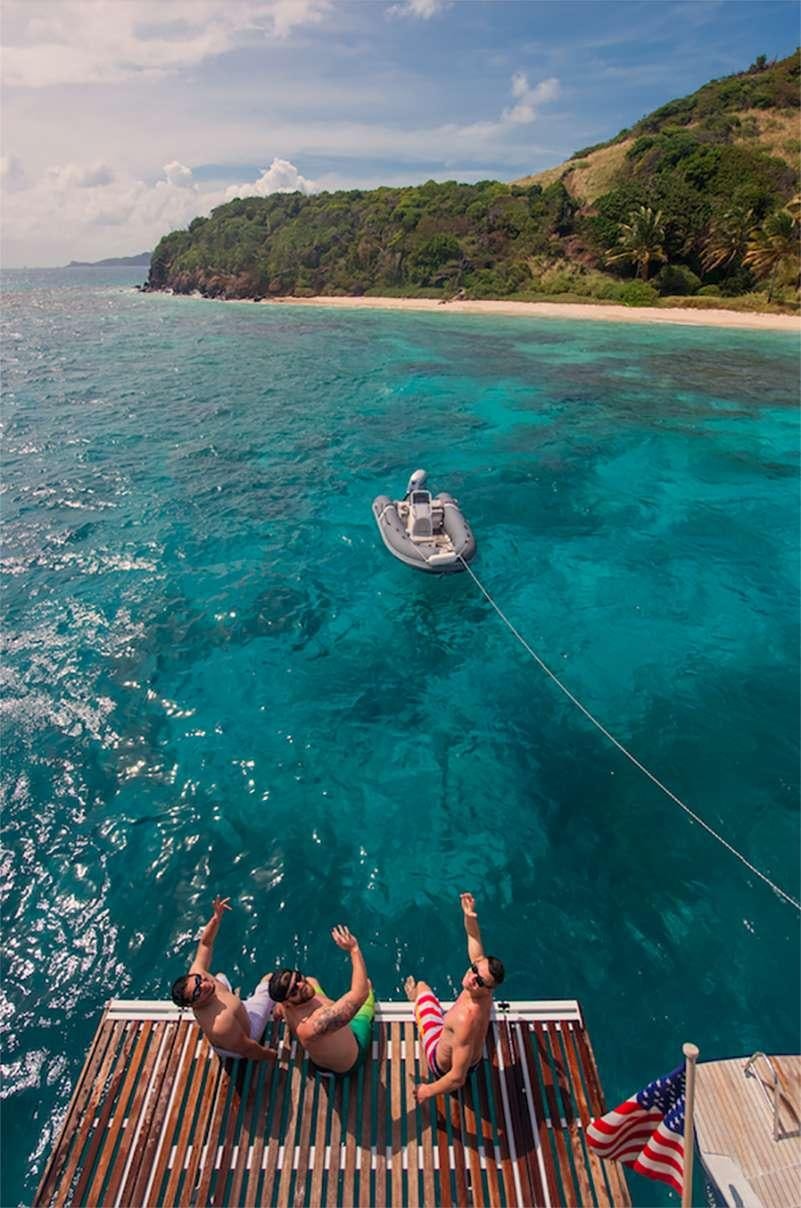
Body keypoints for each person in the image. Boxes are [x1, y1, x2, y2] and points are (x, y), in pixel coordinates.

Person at [405, 892, 505, 1103]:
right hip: (471, 1058)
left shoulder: (465, 1018)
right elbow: (474, 939)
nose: (471, 978)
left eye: (478, 981)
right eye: (473, 970)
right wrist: (469, 916)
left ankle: (415, 999)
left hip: (443, 1067)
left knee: (422, 987)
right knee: (460, 1037)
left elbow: (457, 1079)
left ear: (488, 988)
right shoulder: (487, 987)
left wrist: (427, 1090)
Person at [170, 895, 278, 1062]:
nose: (204, 985)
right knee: (271, 980)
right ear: (192, 1004)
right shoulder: (222, 1023)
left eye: (199, 981)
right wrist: (273, 1056)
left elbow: (205, 944)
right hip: (244, 1038)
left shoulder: (199, 973)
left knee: (220, 976)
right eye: (198, 992)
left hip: (228, 1035)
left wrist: (216, 919)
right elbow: (248, 1048)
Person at [268, 925, 374, 1075]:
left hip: (323, 1051)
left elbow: (278, 1009)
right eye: (293, 990)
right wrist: (354, 949)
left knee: (313, 981)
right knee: (367, 985)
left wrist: (279, 1012)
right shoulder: (317, 1023)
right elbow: (360, 993)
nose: (301, 985)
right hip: (352, 1057)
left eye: (298, 977)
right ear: (288, 1002)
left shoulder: (285, 1005)